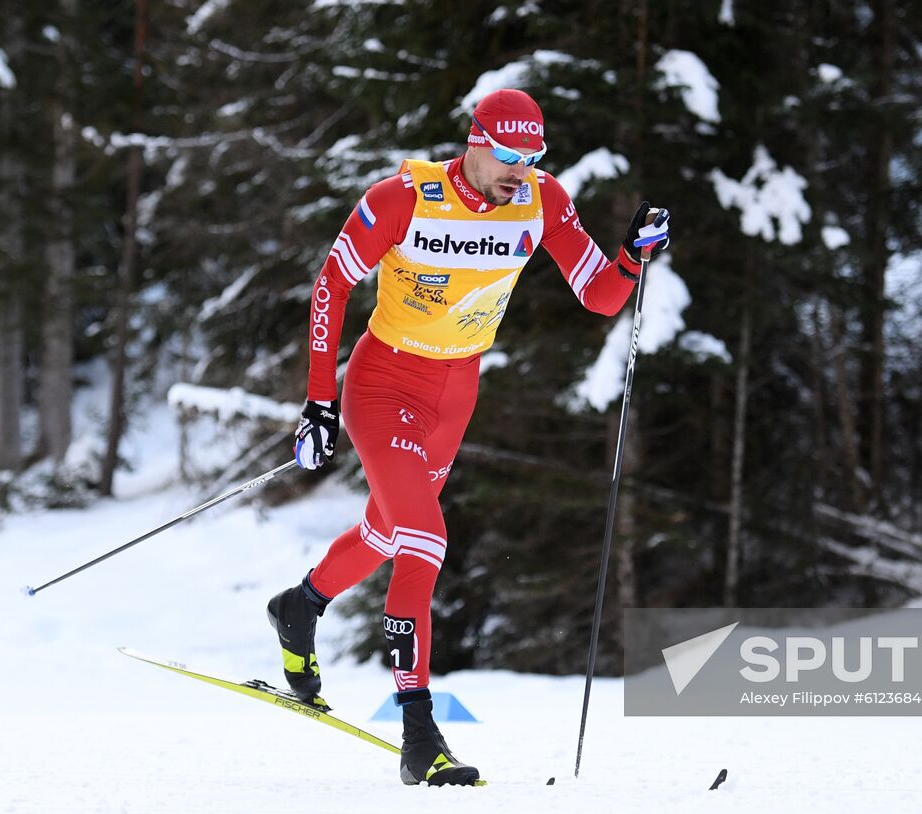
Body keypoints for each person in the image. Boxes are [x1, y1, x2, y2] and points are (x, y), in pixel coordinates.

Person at [266, 88, 670, 787]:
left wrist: (632, 257)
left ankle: (300, 606)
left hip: (455, 392)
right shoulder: (405, 196)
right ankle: (419, 733)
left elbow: (601, 296)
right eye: (508, 155)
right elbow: (332, 283)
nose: (521, 169)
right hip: (383, 381)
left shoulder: (541, 199)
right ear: (475, 142)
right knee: (424, 539)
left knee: (390, 531)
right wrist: (319, 402)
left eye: (533, 156)